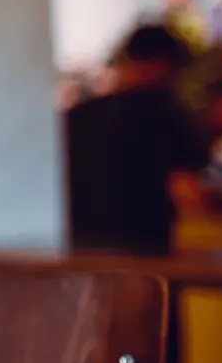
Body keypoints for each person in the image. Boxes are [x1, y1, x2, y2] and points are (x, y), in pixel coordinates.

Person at [64, 23, 207, 256]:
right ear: (163, 66)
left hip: (80, 250)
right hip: (146, 255)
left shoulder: (77, 116)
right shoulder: (165, 114)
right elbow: (186, 189)